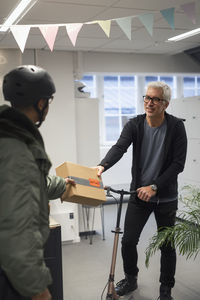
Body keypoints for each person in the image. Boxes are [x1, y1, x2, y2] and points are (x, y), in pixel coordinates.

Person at [96, 81, 187, 300]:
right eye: (147, 98)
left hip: (165, 197)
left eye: (155, 99)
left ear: (165, 104)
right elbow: (120, 147)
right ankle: (131, 279)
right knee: (128, 241)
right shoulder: (135, 124)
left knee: (166, 245)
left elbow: (178, 164)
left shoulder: (176, 127)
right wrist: (102, 166)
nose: (149, 103)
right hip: (139, 195)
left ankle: (166, 290)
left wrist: (155, 186)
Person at [0, 65, 74, 300]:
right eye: (48, 101)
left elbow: (29, 181)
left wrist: (61, 184)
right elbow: (18, 230)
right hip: (11, 274)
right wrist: (38, 290)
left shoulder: (9, 132)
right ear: (41, 104)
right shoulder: (17, 148)